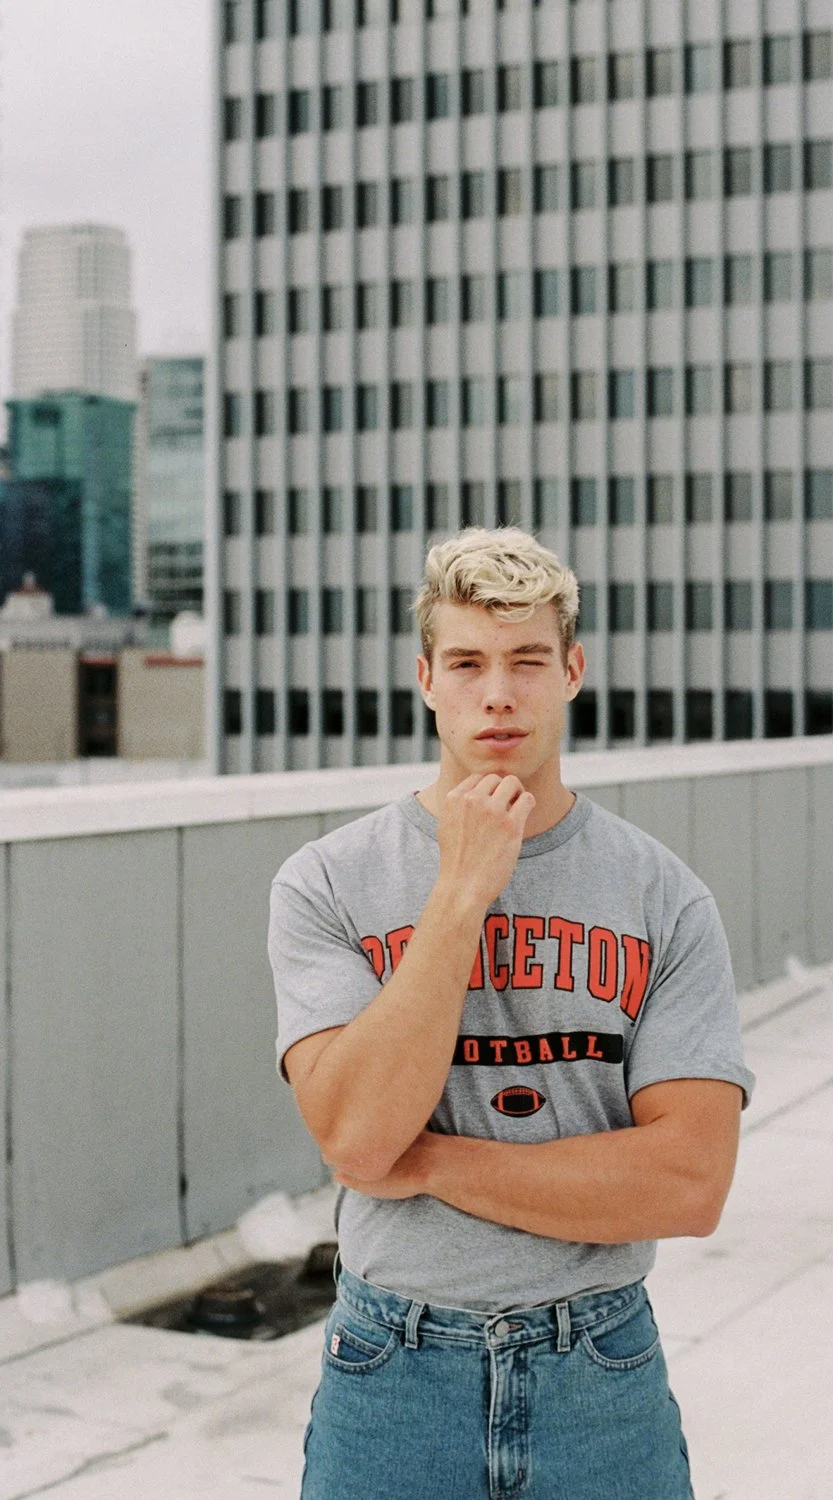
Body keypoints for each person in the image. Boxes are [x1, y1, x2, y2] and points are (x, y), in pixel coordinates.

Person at [269, 527, 755, 1500]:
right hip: (393, 1367)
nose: (498, 693)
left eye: (527, 661)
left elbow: (689, 1182)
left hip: (598, 1368)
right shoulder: (327, 882)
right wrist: (459, 896)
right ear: (426, 678)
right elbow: (361, 1136)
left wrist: (433, 1160)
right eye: (469, 662)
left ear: (572, 670)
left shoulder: (664, 896)